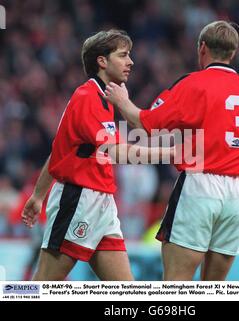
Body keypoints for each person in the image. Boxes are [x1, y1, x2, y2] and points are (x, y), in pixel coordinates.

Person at [104, 21, 239, 281]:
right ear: (233, 53)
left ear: (202, 48)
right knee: (214, 288)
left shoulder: (193, 84)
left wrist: (122, 101)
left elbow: (146, 124)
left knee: (177, 285)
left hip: (201, 185)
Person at [22, 29, 171, 281]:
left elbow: (60, 152)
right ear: (102, 61)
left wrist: (38, 196)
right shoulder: (88, 98)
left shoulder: (102, 98)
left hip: (102, 202)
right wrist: (169, 152)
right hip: (78, 199)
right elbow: (116, 152)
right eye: (123, 55)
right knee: (42, 288)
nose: (130, 62)